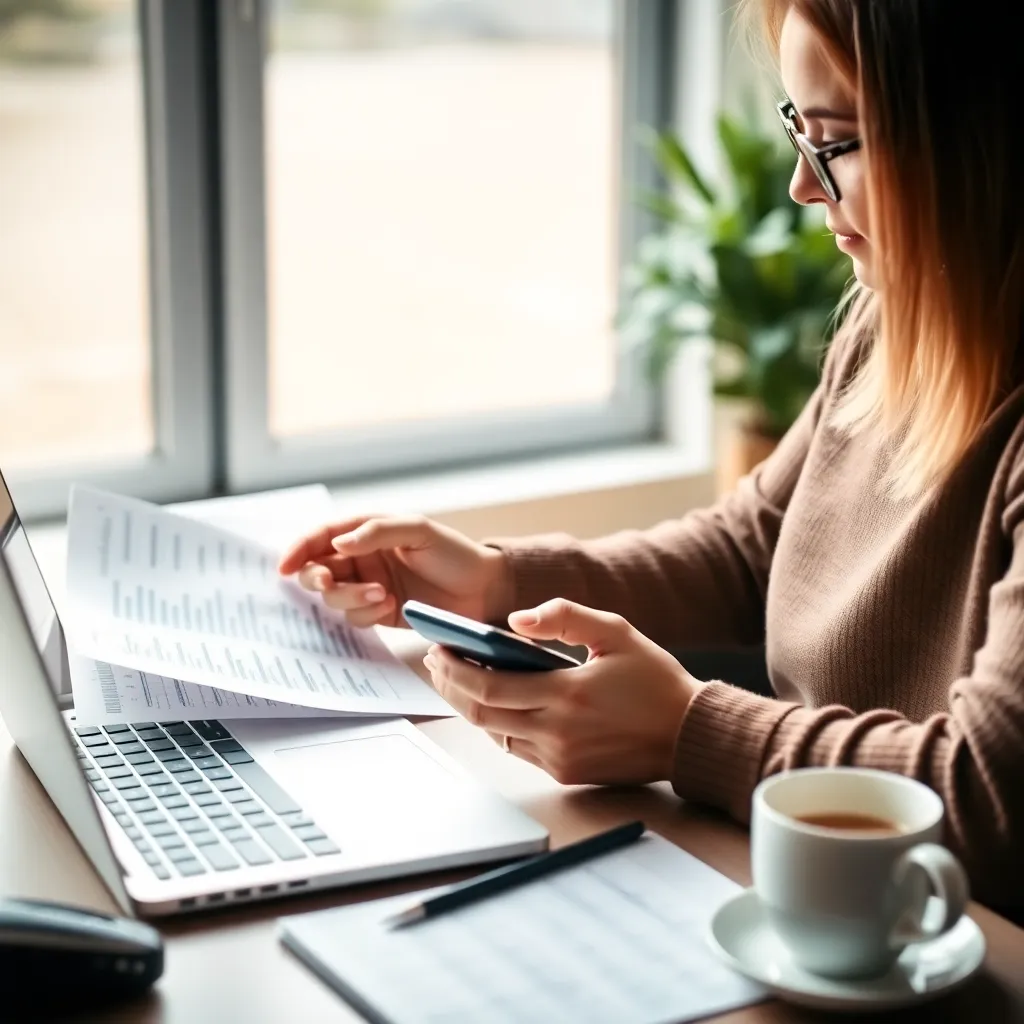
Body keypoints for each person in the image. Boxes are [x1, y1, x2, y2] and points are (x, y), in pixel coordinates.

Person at [279, 0, 1024, 919]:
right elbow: (755, 548)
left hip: (942, 938)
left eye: (836, 142)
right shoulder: (904, 318)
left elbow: (993, 796)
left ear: (982, 141)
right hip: (828, 906)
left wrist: (689, 732)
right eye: (799, 127)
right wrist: (498, 583)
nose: (800, 183)